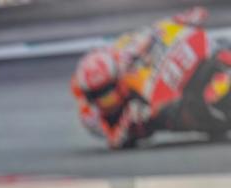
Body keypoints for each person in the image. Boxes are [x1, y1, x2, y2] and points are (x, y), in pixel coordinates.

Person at [71, 7, 210, 149]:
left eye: (109, 93)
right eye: (103, 97)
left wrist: (179, 21)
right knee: (168, 115)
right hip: (148, 117)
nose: (109, 101)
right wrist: (133, 117)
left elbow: (152, 32)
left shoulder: (123, 56)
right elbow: (115, 141)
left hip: (154, 71)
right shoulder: (90, 116)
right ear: (91, 98)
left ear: (116, 80)